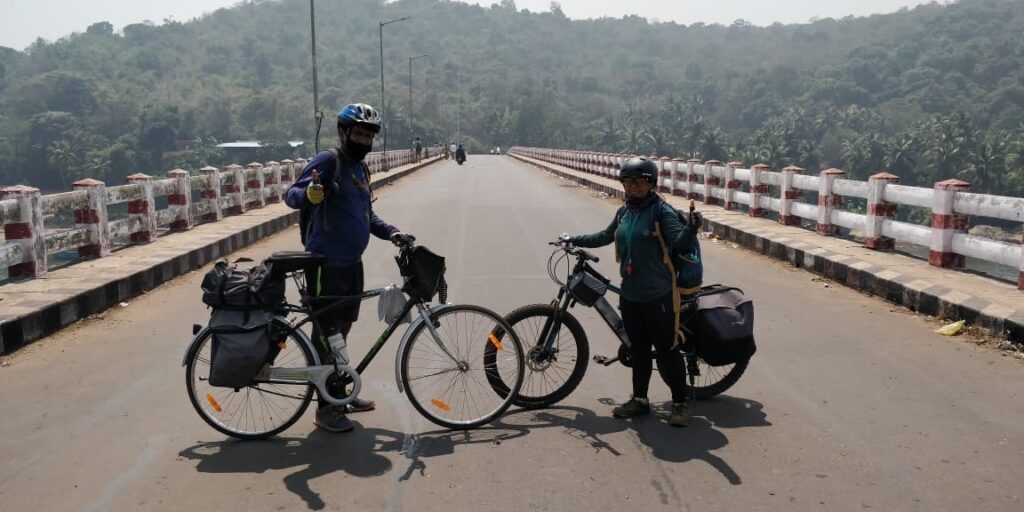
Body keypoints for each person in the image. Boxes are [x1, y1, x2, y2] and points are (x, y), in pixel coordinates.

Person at [285, 102, 415, 433]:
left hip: (351, 265)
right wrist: (311, 193)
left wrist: (392, 233)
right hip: (324, 264)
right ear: (343, 133)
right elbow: (291, 194)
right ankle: (325, 409)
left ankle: (339, 391)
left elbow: (366, 215)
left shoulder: (361, 171)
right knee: (327, 336)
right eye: (358, 133)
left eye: (369, 135)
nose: (364, 141)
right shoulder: (330, 161)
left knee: (342, 332)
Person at [566, 156, 701, 427]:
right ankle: (640, 400)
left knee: (666, 350)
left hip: (660, 295)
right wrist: (575, 239)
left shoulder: (660, 212)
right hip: (630, 295)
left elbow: (680, 243)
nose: (632, 187)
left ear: (651, 183)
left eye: (638, 182)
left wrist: (692, 227)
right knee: (638, 349)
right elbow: (606, 236)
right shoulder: (624, 212)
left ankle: (680, 403)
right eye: (627, 182)